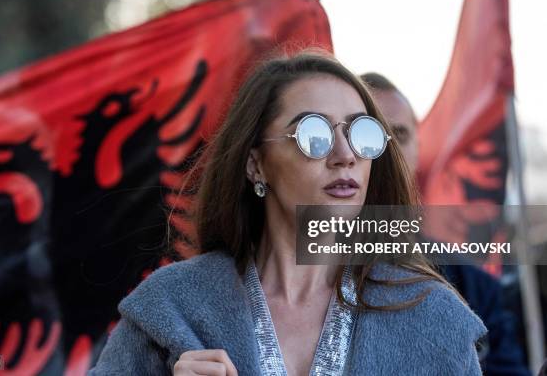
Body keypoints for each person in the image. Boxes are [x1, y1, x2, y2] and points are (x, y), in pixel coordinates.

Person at [89, 50, 486, 375]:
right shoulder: (169, 308)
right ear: (256, 164)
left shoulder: (434, 318)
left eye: (360, 132)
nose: (345, 156)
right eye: (315, 134)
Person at [361, 71, 531, 376]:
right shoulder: (287, 274)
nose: (386, 151)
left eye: (398, 135)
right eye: (367, 134)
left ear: (418, 149)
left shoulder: (474, 288)